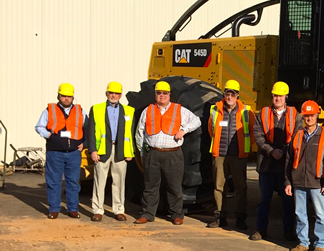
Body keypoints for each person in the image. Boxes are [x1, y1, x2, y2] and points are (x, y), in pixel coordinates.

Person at [134, 80, 200, 225]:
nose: (162, 95)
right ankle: (147, 214)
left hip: (173, 154)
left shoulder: (179, 109)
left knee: (174, 186)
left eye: (165, 93)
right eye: (159, 93)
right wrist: (142, 152)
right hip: (153, 153)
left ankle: (177, 214)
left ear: (169, 94)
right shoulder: (148, 110)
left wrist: (184, 130)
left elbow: (196, 121)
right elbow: (140, 132)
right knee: (150, 186)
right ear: (155, 94)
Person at [251, 81, 301, 241]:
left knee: (288, 202)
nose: (277, 98)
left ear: (286, 96)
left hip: (286, 166)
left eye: (280, 96)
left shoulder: (295, 115)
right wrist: (271, 151)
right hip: (267, 164)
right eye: (275, 95)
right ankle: (261, 230)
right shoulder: (263, 114)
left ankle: (288, 232)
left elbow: (298, 136)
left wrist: (284, 152)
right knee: (264, 200)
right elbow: (257, 135)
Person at [284, 100, 324, 251]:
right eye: (306, 115)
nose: (309, 118)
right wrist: (287, 181)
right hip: (298, 181)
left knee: (320, 214)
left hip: (317, 182)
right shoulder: (298, 135)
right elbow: (289, 160)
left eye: (311, 115)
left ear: (317, 115)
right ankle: (303, 242)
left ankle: (320, 244)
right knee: (300, 213)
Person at [35, 83, 87, 219]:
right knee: (54, 181)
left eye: (69, 96)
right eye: (64, 96)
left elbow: (87, 128)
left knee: (73, 182)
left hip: (74, 153)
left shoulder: (80, 111)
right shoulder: (49, 110)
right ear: (58, 96)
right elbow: (39, 126)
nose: (66, 99)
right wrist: (48, 135)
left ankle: (73, 209)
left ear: (73, 97)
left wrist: (84, 143)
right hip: (55, 152)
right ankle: (54, 209)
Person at [206, 80, 252, 230]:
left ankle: (240, 218)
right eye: (227, 93)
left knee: (241, 187)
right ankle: (220, 217)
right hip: (220, 155)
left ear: (237, 95)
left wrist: (246, 148)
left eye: (233, 94)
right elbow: (210, 129)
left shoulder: (246, 111)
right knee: (219, 187)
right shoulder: (215, 110)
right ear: (224, 94)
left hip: (238, 156)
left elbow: (252, 131)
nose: (229, 96)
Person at [86, 81, 134, 222]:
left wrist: (130, 152)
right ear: (106, 93)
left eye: (116, 93)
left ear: (120, 95)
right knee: (99, 181)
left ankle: (119, 210)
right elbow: (91, 132)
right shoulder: (96, 109)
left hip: (121, 150)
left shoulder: (129, 111)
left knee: (119, 182)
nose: (113, 95)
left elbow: (130, 133)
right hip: (102, 150)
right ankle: (98, 210)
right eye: (111, 93)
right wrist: (93, 150)